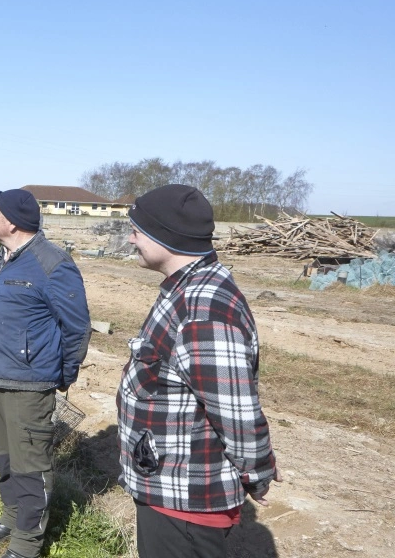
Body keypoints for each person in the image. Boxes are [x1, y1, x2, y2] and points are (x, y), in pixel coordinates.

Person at [118, 184, 280, 558]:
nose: (131, 239)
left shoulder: (204, 310)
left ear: (165, 236)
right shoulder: (186, 288)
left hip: (185, 504)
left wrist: (257, 473)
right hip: (170, 491)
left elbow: (235, 411)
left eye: (137, 231)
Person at [0, 189, 91, 558]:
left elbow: (77, 328)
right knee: (4, 458)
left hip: (27, 384)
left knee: (30, 467)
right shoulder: (0, 259)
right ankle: (11, 516)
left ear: (12, 222)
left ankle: (26, 545)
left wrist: (63, 374)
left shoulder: (52, 263)